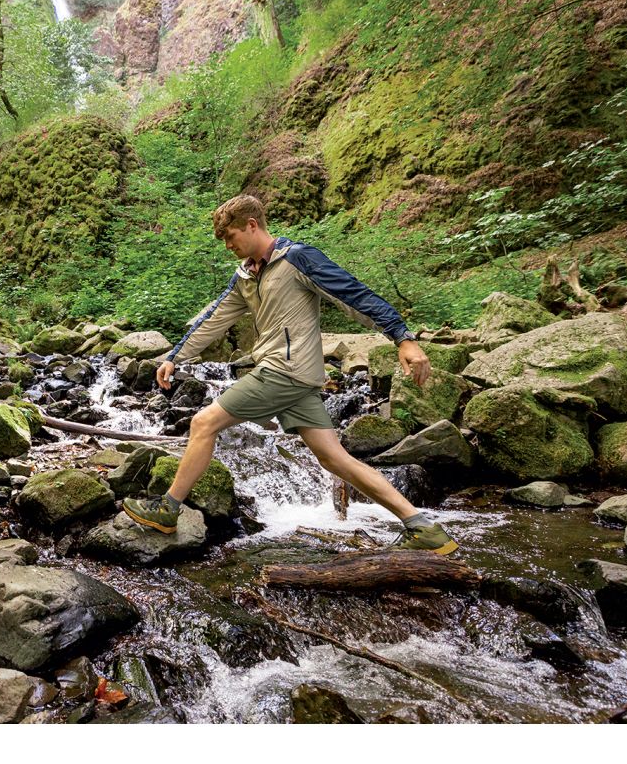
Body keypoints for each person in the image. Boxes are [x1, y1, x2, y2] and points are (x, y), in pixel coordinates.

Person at [122, 194, 459, 554]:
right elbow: (214, 319)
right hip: (302, 380)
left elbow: (353, 294)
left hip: (283, 371)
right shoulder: (246, 275)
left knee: (203, 423)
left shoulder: (297, 258)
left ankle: (167, 510)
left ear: (252, 225)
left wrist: (402, 338)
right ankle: (422, 527)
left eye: (231, 236)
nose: (228, 245)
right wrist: (175, 356)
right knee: (334, 458)